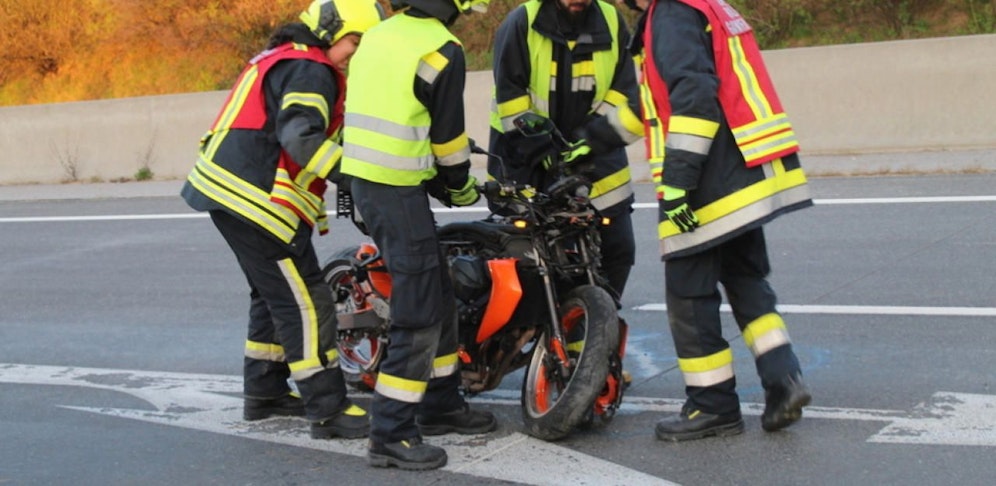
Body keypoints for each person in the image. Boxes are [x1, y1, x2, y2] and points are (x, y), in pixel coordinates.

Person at [180, 0, 384, 440]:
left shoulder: (286, 58)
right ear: (332, 31)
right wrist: (355, 178)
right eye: (355, 41)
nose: (356, 53)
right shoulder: (311, 69)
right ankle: (327, 408)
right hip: (256, 201)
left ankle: (265, 390)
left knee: (273, 293)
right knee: (306, 302)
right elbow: (301, 135)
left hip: (231, 193)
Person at [623, 0, 813, 441]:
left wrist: (677, 185)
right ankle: (784, 381)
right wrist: (590, 137)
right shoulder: (706, 5)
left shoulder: (669, 13)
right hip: (745, 172)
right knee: (747, 282)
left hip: (708, 179)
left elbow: (692, 97)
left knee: (689, 296)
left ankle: (713, 406)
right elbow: (653, 104)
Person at [340, 0, 498, 471]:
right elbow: (448, 141)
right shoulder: (441, 48)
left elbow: (393, 112)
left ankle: (441, 402)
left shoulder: (383, 33)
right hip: (393, 189)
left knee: (439, 291)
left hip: (367, 181)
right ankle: (390, 433)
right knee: (421, 310)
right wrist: (461, 187)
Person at [488, 0, 645, 300]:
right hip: (526, 157)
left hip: (595, 156)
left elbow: (623, 89)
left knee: (618, 249)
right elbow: (511, 99)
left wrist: (591, 140)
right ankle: (540, 332)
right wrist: (544, 148)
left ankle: (596, 329)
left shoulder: (611, 20)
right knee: (531, 260)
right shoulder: (522, 22)